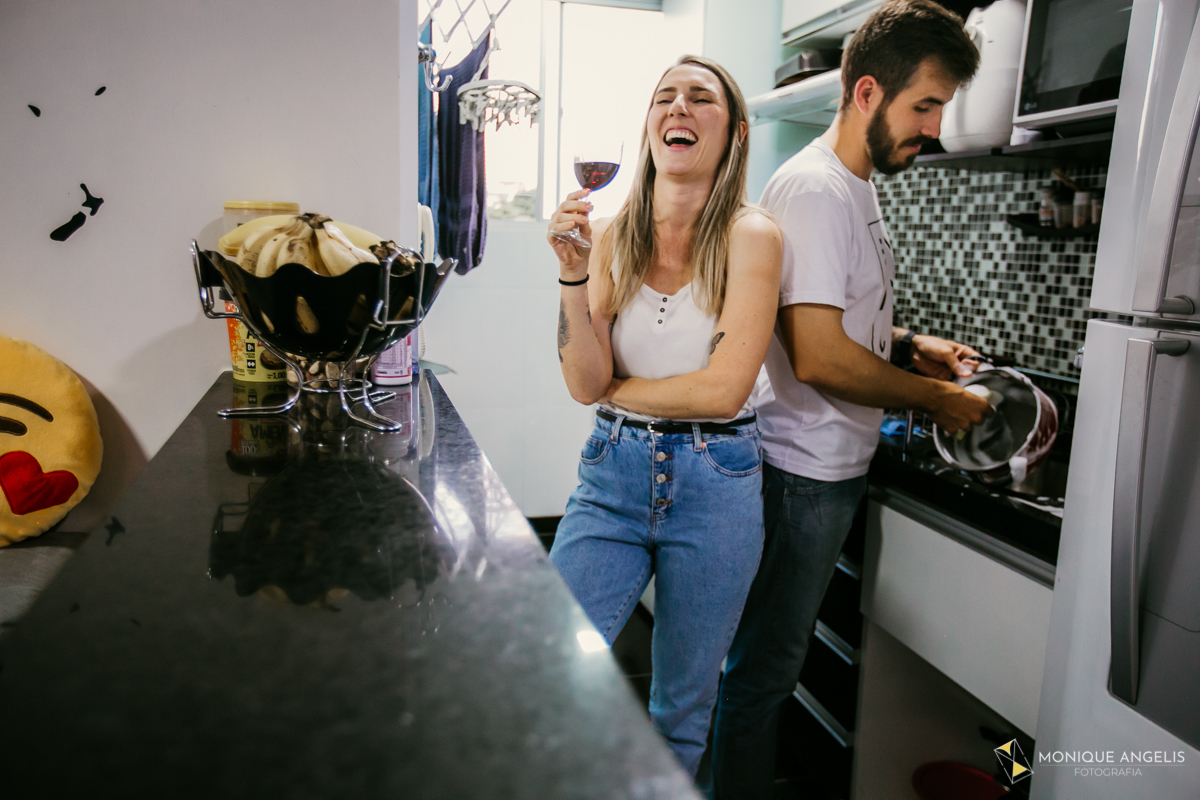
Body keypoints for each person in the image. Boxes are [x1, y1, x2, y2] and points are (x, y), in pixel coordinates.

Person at [710, 2, 991, 796]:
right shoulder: (815, 190)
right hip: (799, 471)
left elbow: (836, 313)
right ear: (868, 92)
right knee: (762, 674)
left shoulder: (854, 187)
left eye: (941, 108)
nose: (933, 128)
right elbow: (821, 356)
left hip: (824, 469)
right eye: (924, 106)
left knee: (769, 666)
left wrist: (907, 345)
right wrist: (937, 400)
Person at [545, 55, 782, 778]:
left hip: (717, 480)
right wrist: (571, 271)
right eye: (664, 98)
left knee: (682, 711)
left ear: (735, 132)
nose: (677, 108)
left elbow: (723, 392)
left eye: (699, 98)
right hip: (611, 476)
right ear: (650, 125)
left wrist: (622, 389)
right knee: (544, 669)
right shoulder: (612, 237)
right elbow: (584, 381)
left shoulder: (753, 236)